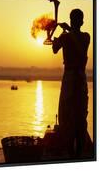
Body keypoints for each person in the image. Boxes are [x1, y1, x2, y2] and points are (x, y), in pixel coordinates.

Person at [52, 9, 90, 157]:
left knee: (80, 117)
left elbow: (82, 53)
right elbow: (55, 49)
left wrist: (67, 31)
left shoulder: (85, 37)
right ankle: (70, 155)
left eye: (76, 19)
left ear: (81, 22)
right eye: (72, 19)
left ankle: (79, 154)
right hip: (68, 79)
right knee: (66, 117)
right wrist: (57, 37)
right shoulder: (67, 37)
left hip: (79, 79)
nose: (74, 21)